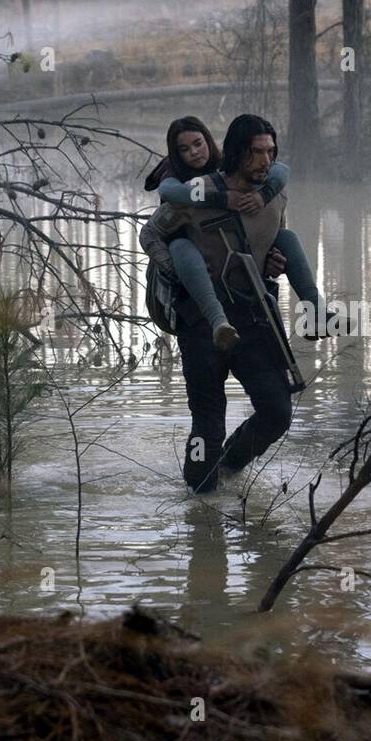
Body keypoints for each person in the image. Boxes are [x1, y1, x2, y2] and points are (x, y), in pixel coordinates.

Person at [146, 114, 302, 493]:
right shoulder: (194, 192)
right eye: (255, 153)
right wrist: (173, 270)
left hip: (253, 315)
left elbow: (277, 240)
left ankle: (230, 466)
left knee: (277, 412)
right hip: (200, 322)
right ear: (237, 152)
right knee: (207, 424)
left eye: (270, 152)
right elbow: (150, 233)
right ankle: (199, 496)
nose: (264, 161)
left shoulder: (276, 191)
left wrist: (275, 262)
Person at [140, 116, 324, 351]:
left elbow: (280, 172)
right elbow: (164, 204)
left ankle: (317, 311)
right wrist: (221, 198)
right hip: (190, 272)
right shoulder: (175, 177)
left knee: (287, 238)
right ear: (176, 154)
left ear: (208, 140)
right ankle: (218, 321)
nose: (195, 153)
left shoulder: (236, 167)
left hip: (246, 290)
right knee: (179, 246)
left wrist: (263, 197)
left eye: (199, 143)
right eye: (184, 149)